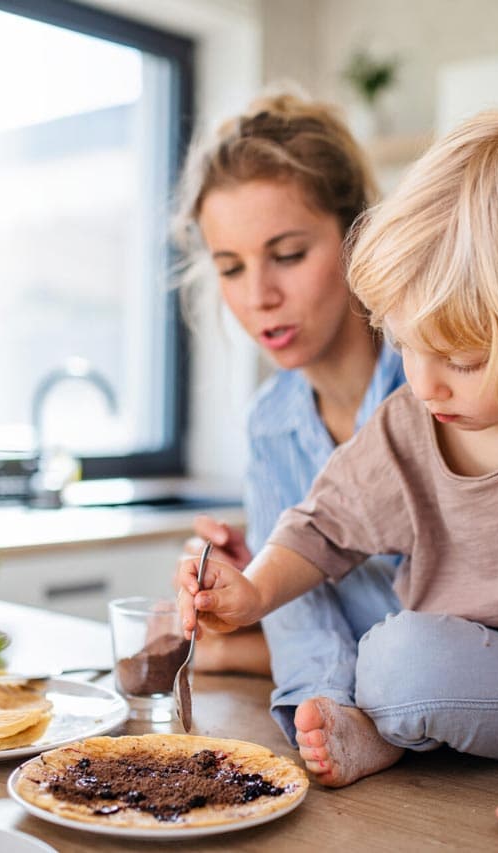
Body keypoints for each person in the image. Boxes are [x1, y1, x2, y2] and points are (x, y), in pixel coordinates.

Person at [177, 111, 498, 853]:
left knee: (400, 661)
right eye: (407, 345)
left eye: (458, 359)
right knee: (399, 659)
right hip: (456, 673)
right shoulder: (413, 417)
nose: (423, 383)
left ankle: (403, 727)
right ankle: (398, 732)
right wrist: (257, 590)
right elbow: (321, 525)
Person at [172, 93, 407, 739]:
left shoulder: (443, 385)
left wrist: (242, 648)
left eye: (289, 254)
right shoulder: (270, 424)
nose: (258, 297)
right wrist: (247, 594)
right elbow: (314, 631)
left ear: (358, 234)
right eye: (230, 267)